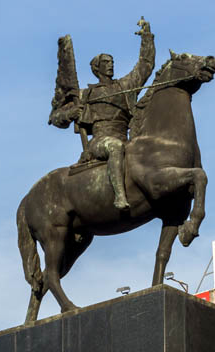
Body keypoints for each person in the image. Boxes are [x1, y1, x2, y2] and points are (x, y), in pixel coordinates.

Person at [50, 20, 155, 210]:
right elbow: (55, 118)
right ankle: (120, 196)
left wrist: (146, 37)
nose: (110, 65)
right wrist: (72, 112)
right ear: (97, 68)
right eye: (106, 62)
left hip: (127, 138)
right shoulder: (85, 94)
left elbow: (145, 66)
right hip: (100, 141)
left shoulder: (124, 87)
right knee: (114, 147)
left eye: (112, 62)